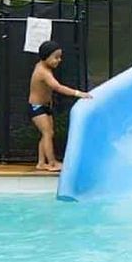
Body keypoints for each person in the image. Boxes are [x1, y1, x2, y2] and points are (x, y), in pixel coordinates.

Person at [28, 40, 91, 173]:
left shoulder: (43, 66)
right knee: (47, 133)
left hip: (45, 106)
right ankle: (52, 163)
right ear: (46, 56)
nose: (59, 60)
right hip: (37, 107)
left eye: (60, 57)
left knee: (47, 134)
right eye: (56, 57)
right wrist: (78, 93)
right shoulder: (43, 72)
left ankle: (41, 163)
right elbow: (57, 87)